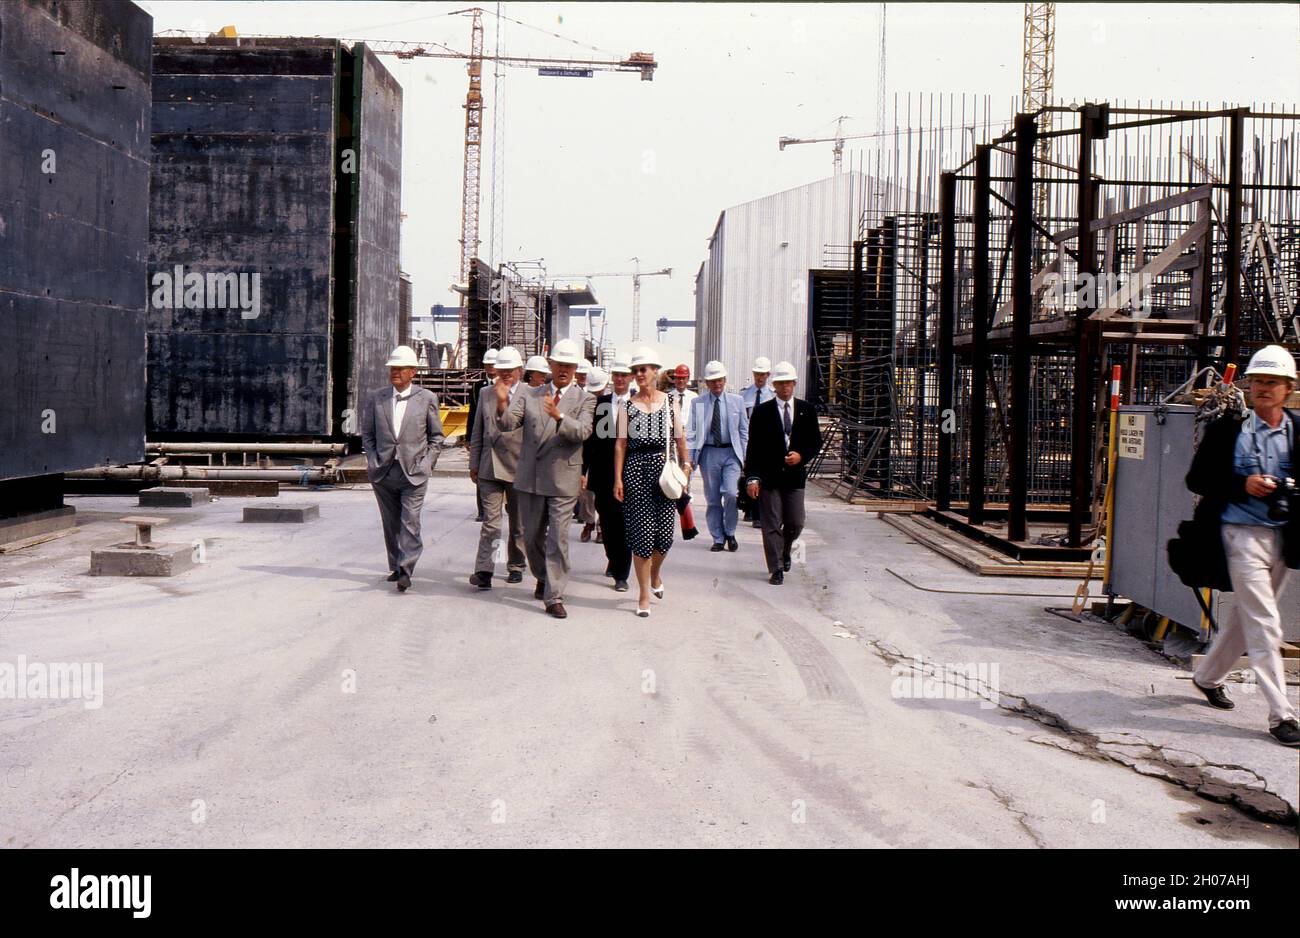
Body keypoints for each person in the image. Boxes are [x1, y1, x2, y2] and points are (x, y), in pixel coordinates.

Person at [1185, 344, 1300, 747]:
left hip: (1283, 536)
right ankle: (1281, 715)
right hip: (1240, 533)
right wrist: (1242, 484)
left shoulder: (1297, 431)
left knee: (1245, 619)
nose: (1262, 388)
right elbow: (1196, 480)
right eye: (1257, 381)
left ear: (1288, 388)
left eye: (1272, 382)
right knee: (1266, 622)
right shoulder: (1229, 430)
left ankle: (1207, 677)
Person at [496, 338, 596, 619]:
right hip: (532, 476)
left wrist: (560, 416)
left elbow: (583, 432)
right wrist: (503, 404)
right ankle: (541, 574)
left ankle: (554, 595)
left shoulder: (586, 399)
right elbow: (508, 425)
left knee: (559, 537)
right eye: (558, 364)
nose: (563, 369)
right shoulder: (530, 394)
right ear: (549, 365)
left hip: (563, 477)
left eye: (568, 365)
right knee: (530, 537)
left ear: (575, 368)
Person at [360, 345, 446, 592]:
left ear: (412, 372)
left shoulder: (427, 398)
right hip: (384, 471)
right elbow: (367, 434)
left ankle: (406, 569)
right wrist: (373, 459)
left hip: (414, 472)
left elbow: (436, 437)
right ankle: (396, 565)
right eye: (392, 368)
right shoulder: (377, 398)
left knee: (410, 521)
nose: (395, 372)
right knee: (390, 522)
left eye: (400, 368)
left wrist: (427, 463)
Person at [615, 348, 691, 617]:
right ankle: (644, 594)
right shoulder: (626, 406)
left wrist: (686, 465)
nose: (638, 375)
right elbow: (621, 445)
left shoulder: (671, 403)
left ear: (655, 371)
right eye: (635, 371)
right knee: (642, 536)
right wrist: (617, 479)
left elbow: (680, 438)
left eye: (643, 369)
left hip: (664, 472)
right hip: (635, 471)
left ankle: (656, 574)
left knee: (665, 538)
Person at [744, 361, 821, 585]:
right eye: (781, 383)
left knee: (796, 521)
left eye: (789, 382)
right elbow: (754, 449)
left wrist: (801, 456)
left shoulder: (807, 410)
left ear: (794, 383)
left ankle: (786, 549)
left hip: (794, 477)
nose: (785, 387)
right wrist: (752, 477)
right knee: (772, 523)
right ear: (774, 385)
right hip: (769, 477)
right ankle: (775, 567)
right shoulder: (762, 413)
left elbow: (815, 442)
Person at [468, 346, 527, 590]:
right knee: (491, 523)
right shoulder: (485, 393)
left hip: (519, 467)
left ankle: (515, 564)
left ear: (519, 371)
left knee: (518, 523)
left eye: (509, 370)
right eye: (501, 370)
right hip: (490, 466)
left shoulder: (530, 394)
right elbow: (478, 430)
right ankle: (485, 569)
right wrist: (474, 463)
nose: (504, 375)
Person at [689, 360, 748, 552]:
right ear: (706, 382)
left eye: (720, 380)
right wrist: (689, 461)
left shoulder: (737, 401)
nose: (717, 384)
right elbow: (693, 432)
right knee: (713, 498)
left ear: (725, 379)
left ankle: (729, 531)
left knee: (731, 493)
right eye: (713, 381)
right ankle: (718, 537)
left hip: (731, 452)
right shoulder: (698, 403)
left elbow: (743, 431)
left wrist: (744, 457)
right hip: (709, 453)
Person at [584, 363, 632, 591]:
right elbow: (592, 443)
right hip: (603, 473)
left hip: (629, 473)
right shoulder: (601, 405)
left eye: (624, 375)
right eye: (617, 375)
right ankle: (613, 558)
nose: (620, 379)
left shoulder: (637, 405)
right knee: (607, 520)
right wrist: (583, 471)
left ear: (631, 377)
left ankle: (622, 573)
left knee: (623, 522)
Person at [666, 364, 701, 540]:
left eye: (683, 378)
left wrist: (696, 445)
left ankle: (683, 502)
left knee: (686, 473)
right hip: (673, 440)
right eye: (678, 378)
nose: (681, 381)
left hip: (690, 438)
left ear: (688, 379)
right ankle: (677, 499)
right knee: (674, 473)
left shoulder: (695, 398)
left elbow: (700, 423)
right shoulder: (667, 397)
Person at [740, 356, 776, 526]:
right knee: (748, 474)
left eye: (763, 374)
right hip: (747, 440)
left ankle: (759, 514)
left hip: (766, 442)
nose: (759, 377)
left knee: (763, 476)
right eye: (757, 374)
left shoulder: (772, 396)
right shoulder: (744, 394)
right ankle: (749, 509)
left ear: (768, 375)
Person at [576, 367, 608, 542]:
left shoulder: (607, 404)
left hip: (602, 453)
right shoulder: (583, 401)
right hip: (585, 449)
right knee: (586, 491)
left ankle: (602, 526)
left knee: (602, 492)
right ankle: (588, 522)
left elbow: (607, 434)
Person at [469, 348, 499, 522]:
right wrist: (468, 437)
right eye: (487, 365)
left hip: (498, 434)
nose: (490, 368)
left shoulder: (504, 385)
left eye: (493, 364)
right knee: (480, 472)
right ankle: (482, 510)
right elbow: (473, 414)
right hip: (482, 435)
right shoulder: (477, 387)